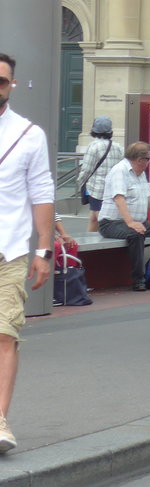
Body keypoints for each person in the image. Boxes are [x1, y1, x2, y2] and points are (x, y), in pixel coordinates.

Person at [0, 52, 55, 454]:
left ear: (12, 85)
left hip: (10, 250)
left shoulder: (28, 133)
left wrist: (44, 250)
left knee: (5, 335)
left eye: (2, 81)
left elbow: (42, 192)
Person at [98, 141, 150, 290]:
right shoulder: (120, 171)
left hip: (138, 221)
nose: (149, 162)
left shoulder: (140, 173)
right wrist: (131, 222)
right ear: (140, 160)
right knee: (136, 234)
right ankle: (138, 280)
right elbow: (119, 199)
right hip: (112, 222)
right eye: (148, 159)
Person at [78, 116, 122, 233]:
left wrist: (80, 182)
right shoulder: (117, 147)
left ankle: (111, 239)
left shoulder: (94, 146)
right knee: (93, 217)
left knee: (101, 219)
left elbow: (87, 169)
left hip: (97, 189)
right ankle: (89, 239)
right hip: (112, 188)